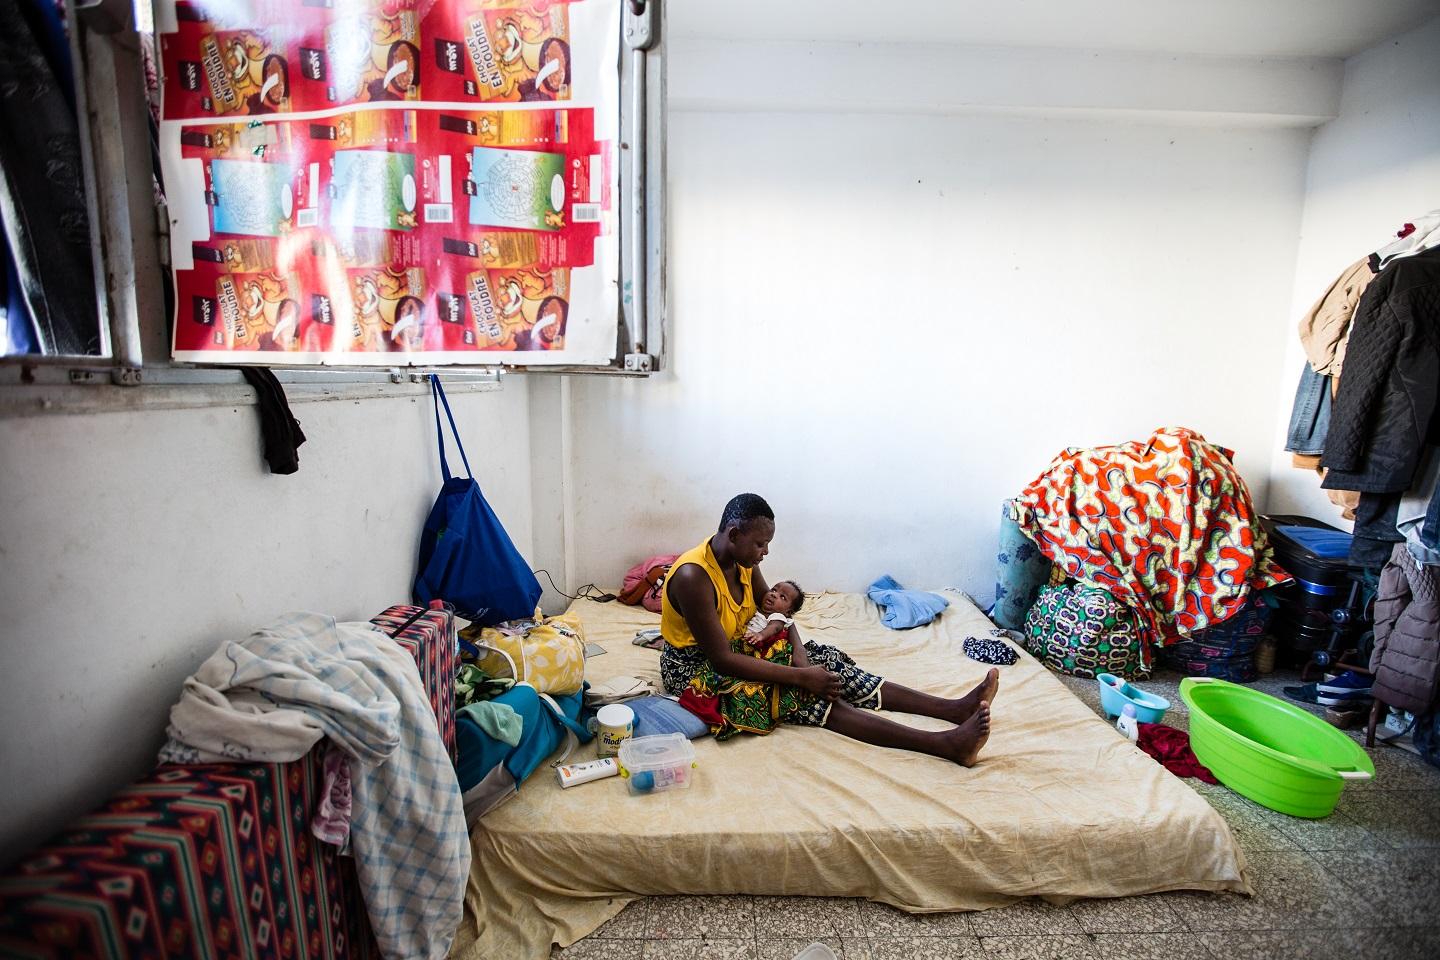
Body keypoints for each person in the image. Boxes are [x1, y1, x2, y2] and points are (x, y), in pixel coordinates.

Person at [660, 493, 997, 765]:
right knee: (801, 692)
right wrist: (800, 677)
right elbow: (720, 660)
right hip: (697, 668)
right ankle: (944, 745)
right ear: (734, 535)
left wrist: (803, 661)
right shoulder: (695, 577)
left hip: (742, 646)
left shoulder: (741, 562)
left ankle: (951, 709)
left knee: (828, 665)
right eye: (761, 544)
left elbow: (780, 614)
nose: (766, 552)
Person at [743, 579, 803, 656]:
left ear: (788, 612)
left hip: (761, 648)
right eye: (774, 590)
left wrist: (761, 635)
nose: (774, 594)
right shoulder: (757, 609)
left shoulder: (778, 617)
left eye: (782, 597)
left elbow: (774, 627)